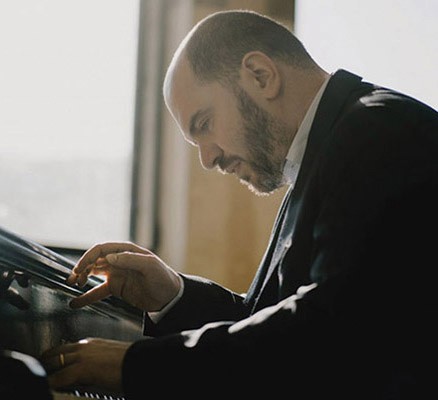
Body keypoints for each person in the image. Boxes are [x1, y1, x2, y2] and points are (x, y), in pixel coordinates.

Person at [40, 9, 438, 399]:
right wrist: (173, 295)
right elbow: (266, 326)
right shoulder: (324, 154)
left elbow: (327, 338)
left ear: (260, 76)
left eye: (204, 125)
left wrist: (134, 366)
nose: (208, 159)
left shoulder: (378, 134)